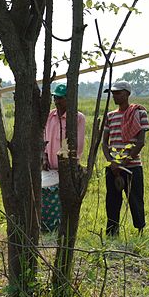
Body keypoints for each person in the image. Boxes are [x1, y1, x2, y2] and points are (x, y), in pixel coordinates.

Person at [102, 81, 149, 236]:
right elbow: (105, 142)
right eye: (113, 93)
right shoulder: (110, 116)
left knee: (135, 200)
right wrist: (112, 162)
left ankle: (140, 230)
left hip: (132, 165)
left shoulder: (139, 113)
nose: (115, 96)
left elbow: (140, 142)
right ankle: (112, 232)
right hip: (113, 166)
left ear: (127, 94)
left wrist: (123, 163)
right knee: (112, 201)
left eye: (118, 93)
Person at [41, 83, 86, 231]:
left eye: (60, 98)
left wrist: (65, 161)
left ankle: (63, 226)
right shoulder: (49, 116)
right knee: (49, 196)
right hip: (50, 165)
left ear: (69, 99)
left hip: (67, 165)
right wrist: (44, 157)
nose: (57, 101)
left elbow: (77, 143)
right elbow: (44, 137)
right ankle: (47, 224)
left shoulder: (77, 118)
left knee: (64, 198)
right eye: (55, 97)